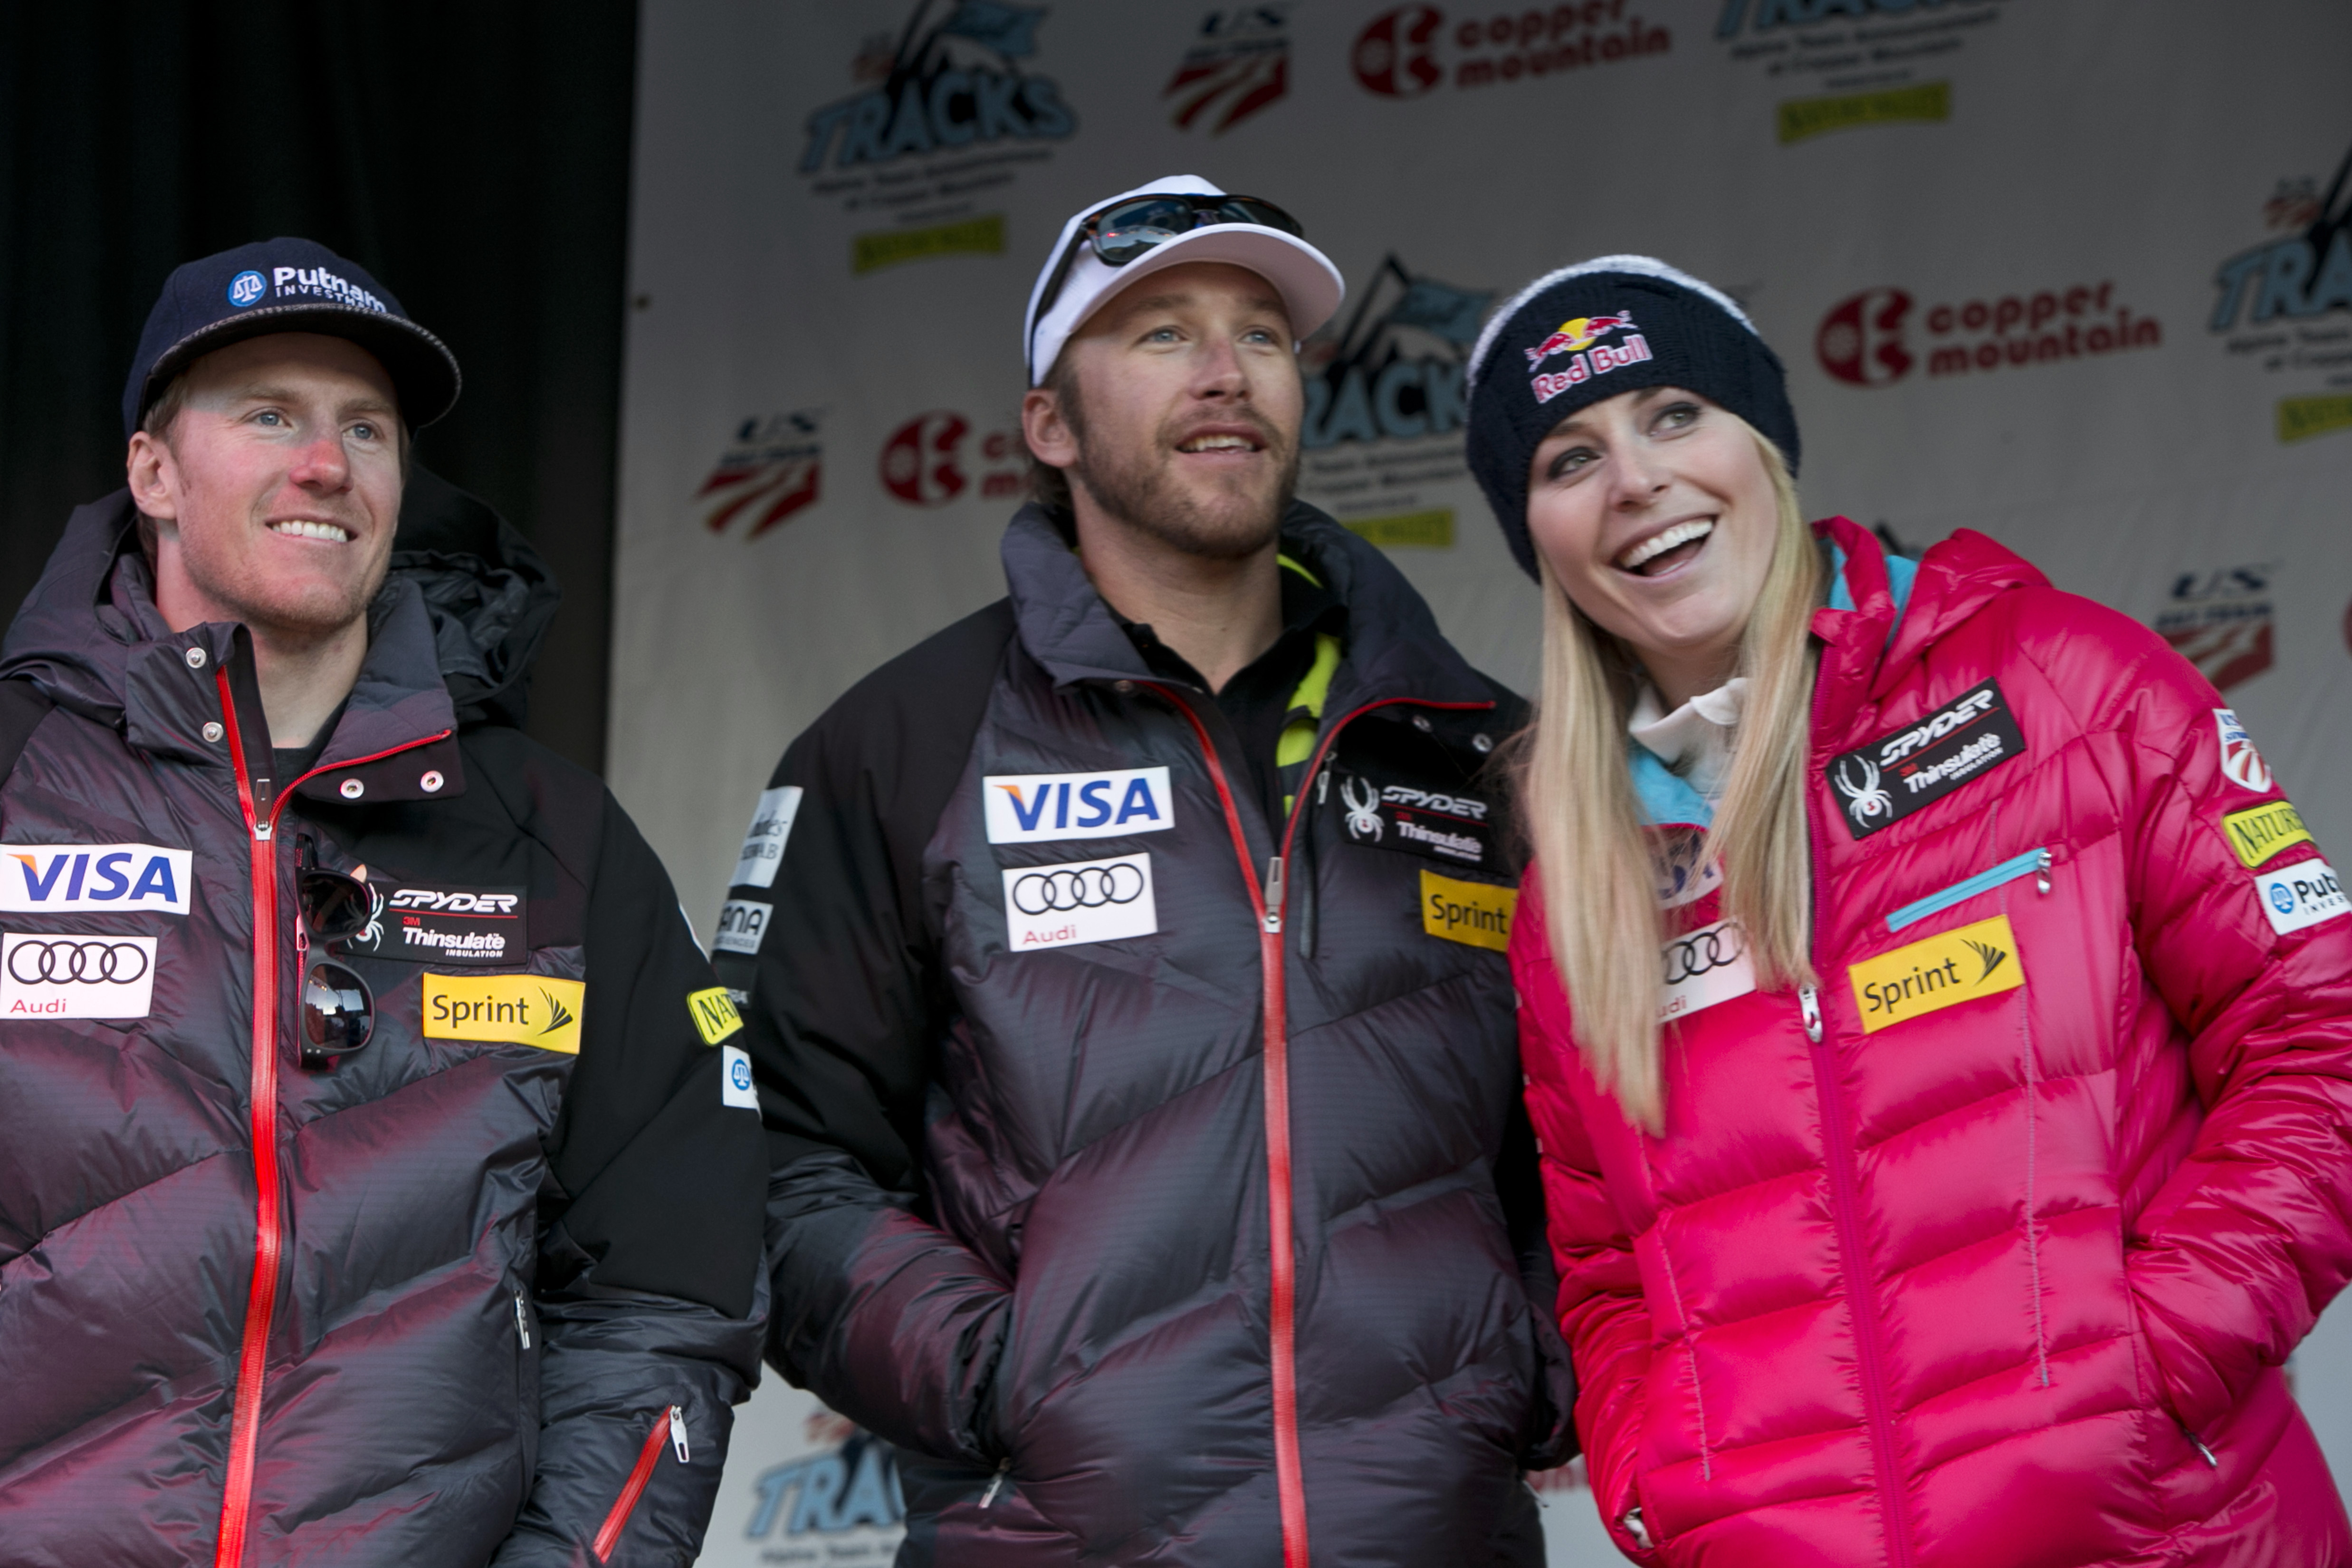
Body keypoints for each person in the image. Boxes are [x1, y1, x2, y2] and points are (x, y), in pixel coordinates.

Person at [723, 176, 1574, 1565]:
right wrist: (1000, 1375)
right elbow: (770, 1149)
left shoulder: (1477, 748)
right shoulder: (903, 743)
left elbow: (1600, 1133)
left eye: (1263, 334)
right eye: (1162, 332)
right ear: (1050, 425)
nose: (1227, 370)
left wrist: (1530, 1364)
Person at [1465, 255, 2352, 1565]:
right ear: (1535, 531)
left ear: (1763, 444)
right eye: (1569, 458)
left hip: (2163, 1532)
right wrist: (1671, 1478)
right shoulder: (1574, 884)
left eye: (1674, 414)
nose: (1636, 480)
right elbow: (1602, 1263)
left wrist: (2155, 1363)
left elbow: (2320, 1041)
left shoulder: (2061, 684)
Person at [0, 239, 766, 1565]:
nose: (326, 463)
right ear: (154, 473)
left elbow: (669, 1286)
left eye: (366, 427)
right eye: (269, 415)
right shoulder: (17, 778)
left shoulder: (552, 835)